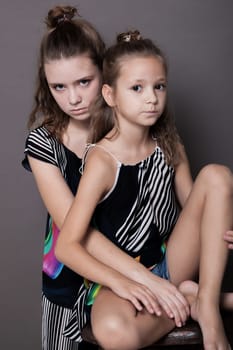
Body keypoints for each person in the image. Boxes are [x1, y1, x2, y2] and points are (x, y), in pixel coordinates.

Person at [55, 30, 233, 350]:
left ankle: (206, 303)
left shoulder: (170, 145)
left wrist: (226, 225)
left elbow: (199, 208)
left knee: (217, 175)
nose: (151, 97)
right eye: (137, 88)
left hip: (169, 265)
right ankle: (192, 299)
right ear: (110, 96)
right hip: (116, 279)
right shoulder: (101, 160)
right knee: (116, 334)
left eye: (158, 86)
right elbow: (67, 247)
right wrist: (124, 283)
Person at [22, 5, 106, 350]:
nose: (73, 98)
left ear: (105, 70)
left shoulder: (128, 132)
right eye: (59, 87)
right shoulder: (42, 143)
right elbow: (74, 228)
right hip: (66, 289)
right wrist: (139, 280)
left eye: (84, 82)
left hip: (130, 280)